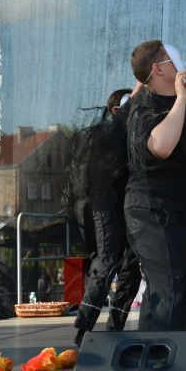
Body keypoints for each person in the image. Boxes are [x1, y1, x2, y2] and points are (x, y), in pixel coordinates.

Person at [124, 39, 186, 332]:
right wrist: (183, 98)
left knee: (164, 290)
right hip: (152, 213)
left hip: (172, 213)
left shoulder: (170, 99)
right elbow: (161, 146)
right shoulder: (143, 107)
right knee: (173, 289)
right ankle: (165, 354)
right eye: (172, 60)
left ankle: (149, 354)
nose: (180, 67)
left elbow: (179, 80)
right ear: (158, 69)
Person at [71, 89, 142, 347]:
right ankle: (84, 326)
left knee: (132, 265)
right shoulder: (104, 133)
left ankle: (116, 325)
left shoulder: (139, 133)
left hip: (133, 205)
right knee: (108, 260)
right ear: (115, 111)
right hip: (106, 206)